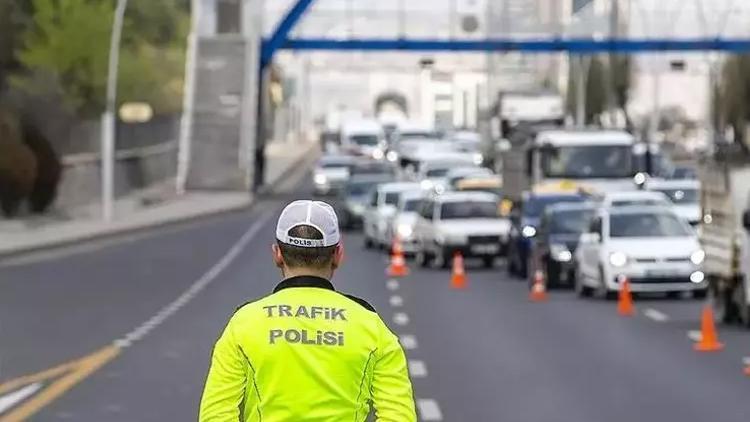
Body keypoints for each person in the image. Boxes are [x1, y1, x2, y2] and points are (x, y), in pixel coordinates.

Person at [199, 200, 417, 421]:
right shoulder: (371, 327)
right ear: (338, 255)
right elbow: (398, 416)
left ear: (277, 254)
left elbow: (216, 415)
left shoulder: (243, 324)